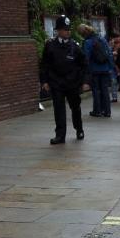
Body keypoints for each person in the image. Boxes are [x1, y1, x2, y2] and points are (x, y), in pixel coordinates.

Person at [41, 15, 88, 145]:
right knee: (59, 109)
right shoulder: (50, 45)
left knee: (75, 107)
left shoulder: (75, 47)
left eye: (68, 29)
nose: (67, 32)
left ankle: (79, 129)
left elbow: (84, 65)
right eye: (64, 29)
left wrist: (84, 81)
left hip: (72, 83)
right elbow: (45, 64)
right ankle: (60, 135)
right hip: (56, 83)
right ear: (58, 31)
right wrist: (44, 81)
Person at [79, 25, 113, 119]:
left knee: (96, 90)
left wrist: (85, 71)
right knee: (105, 90)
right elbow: (109, 53)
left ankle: (97, 111)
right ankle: (107, 111)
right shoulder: (102, 39)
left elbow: (86, 57)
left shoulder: (87, 42)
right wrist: (111, 67)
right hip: (105, 69)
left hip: (94, 69)